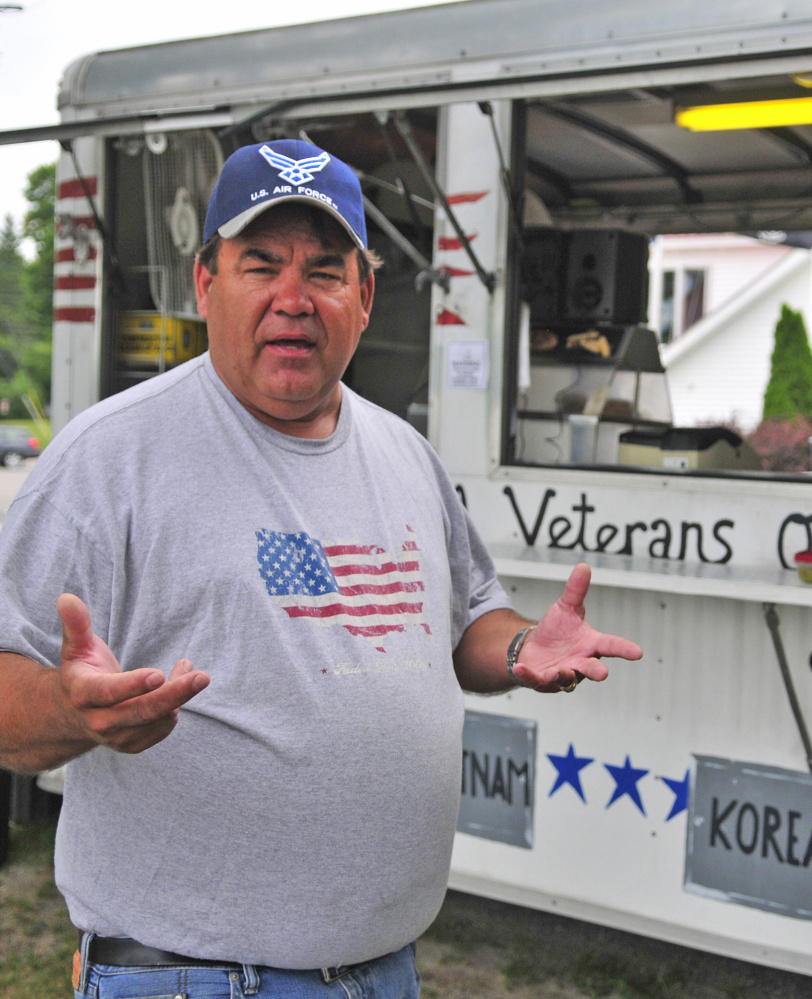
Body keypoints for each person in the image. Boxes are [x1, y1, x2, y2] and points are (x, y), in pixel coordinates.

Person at [0, 139, 642, 999]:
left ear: (366, 295)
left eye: (326, 271)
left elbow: (463, 625)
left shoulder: (405, 454)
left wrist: (523, 643)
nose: (293, 299)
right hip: (191, 981)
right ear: (204, 284)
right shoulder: (111, 457)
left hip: (382, 972)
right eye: (260, 264)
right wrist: (75, 712)